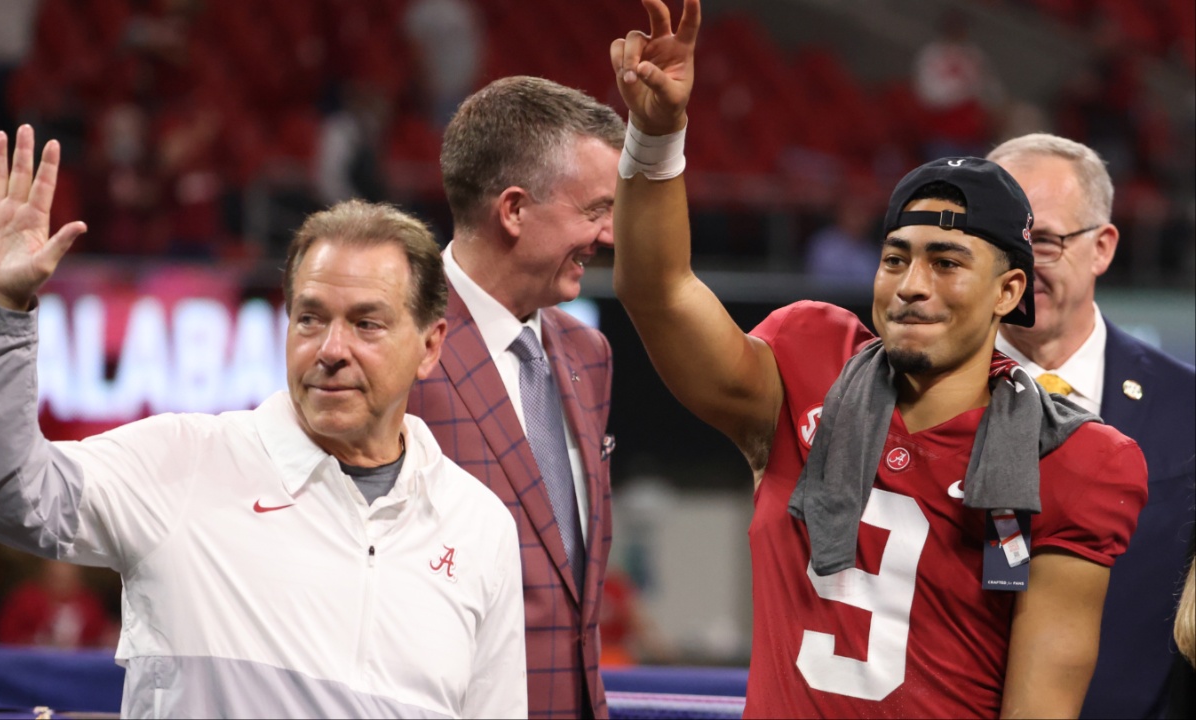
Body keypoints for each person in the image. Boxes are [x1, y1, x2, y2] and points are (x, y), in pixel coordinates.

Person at [609, 1, 1147, 716]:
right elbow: (659, 290)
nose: (913, 287)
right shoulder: (807, 365)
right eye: (897, 259)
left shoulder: (1073, 459)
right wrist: (654, 136)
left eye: (948, 262)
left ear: (1008, 289)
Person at [0, 125, 527, 718]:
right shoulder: (182, 461)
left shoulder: (479, 525)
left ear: (430, 346)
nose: (330, 348)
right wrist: (1, 313)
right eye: (309, 318)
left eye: (366, 324)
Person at [405, 75, 620, 719]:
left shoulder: (590, 354)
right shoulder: (397, 347)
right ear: (514, 210)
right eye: (593, 211)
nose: (607, 235)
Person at [987, 133, 1196, 720]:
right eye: (1001, 242)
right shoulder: (921, 401)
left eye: (1046, 242)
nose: (1021, 266)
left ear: (1102, 247)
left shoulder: (1189, 411)